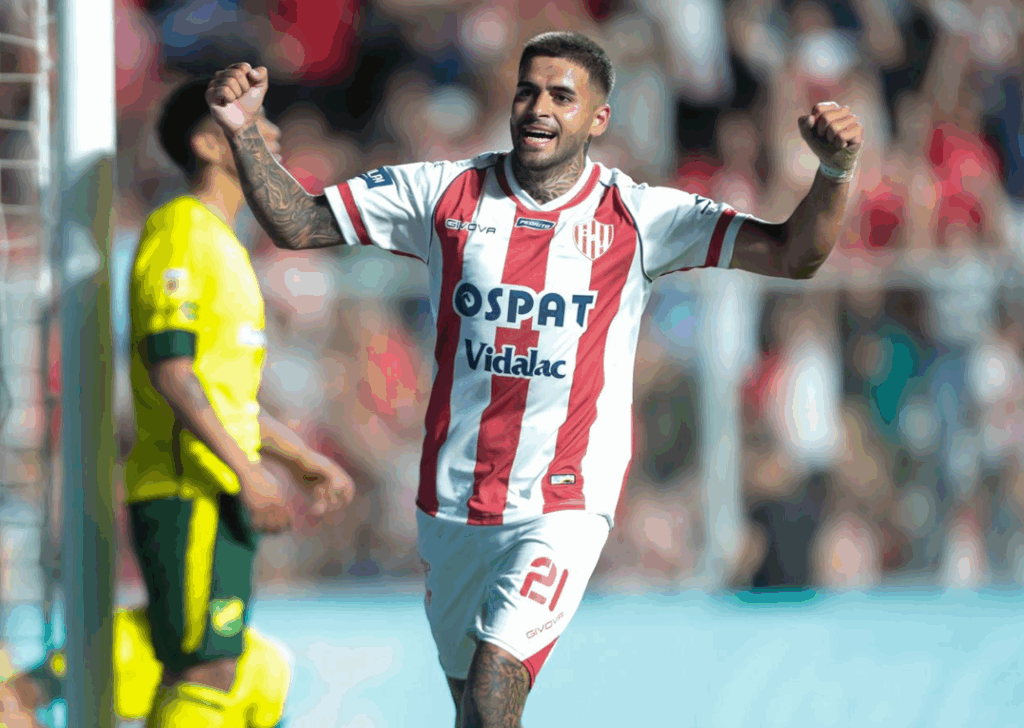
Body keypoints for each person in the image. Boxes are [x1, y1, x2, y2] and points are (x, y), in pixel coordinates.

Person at [206, 30, 864, 727]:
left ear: (598, 118)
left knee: (495, 684)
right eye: (528, 91)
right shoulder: (443, 192)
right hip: (452, 501)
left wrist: (834, 173)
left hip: (563, 502)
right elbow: (301, 224)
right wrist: (243, 131)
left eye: (561, 96)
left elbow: (793, 255)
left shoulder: (639, 216)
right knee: (474, 707)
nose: (539, 108)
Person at [122, 79, 355, 727]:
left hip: (216, 484)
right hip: (186, 486)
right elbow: (173, 374)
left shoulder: (224, 243)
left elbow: (226, 396)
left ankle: (35, 689)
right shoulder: (179, 231)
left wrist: (297, 457)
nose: (273, 135)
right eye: (254, 124)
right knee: (207, 667)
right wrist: (249, 471)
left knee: (218, 663)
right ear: (207, 144)